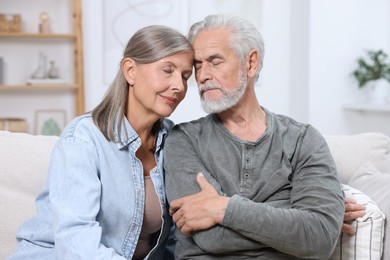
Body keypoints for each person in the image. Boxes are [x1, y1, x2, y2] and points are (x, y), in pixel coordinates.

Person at [163, 14, 346, 259]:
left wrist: (223, 208)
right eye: (197, 65)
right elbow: (211, 237)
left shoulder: (302, 139)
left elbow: (319, 237)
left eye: (215, 61)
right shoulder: (184, 139)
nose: (202, 76)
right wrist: (292, 219)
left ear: (251, 63)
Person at [8, 25, 194, 260]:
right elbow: (75, 241)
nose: (179, 86)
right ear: (130, 71)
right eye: (168, 70)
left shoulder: (174, 141)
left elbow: (175, 239)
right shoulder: (83, 139)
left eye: (185, 76)